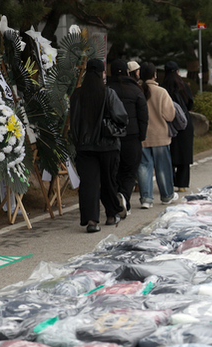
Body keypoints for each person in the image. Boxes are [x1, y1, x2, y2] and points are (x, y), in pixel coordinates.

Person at [69, 58, 129, 233]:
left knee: (88, 184)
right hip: (108, 146)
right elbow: (122, 117)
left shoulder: (77, 95)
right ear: (102, 73)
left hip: (84, 148)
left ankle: (91, 221)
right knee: (109, 181)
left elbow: (73, 123)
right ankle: (111, 214)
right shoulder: (108, 93)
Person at [107, 59, 149, 216]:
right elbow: (143, 116)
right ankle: (124, 196)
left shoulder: (107, 89)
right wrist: (141, 135)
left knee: (114, 171)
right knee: (130, 171)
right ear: (127, 72)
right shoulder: (136, 90)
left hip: (111, 136)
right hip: (132, 136)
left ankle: (117, 198)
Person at [137, 62, 177, 209]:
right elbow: (170, 115)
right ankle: (166, 195)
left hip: (143, 136)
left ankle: (146, 198)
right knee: (163, 166)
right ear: (154, 75)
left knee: (143, 167)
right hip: (160, 135)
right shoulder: (161, 92)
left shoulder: (138, 90)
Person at [162, 61, 194, 192]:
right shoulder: (184, 87)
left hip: (167, 123)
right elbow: (190, 104)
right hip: (184, 123)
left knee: (169, 153)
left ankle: (169, 182)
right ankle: (182, 184)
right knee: (184, 153)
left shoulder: (162, 88)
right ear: (177, 72)